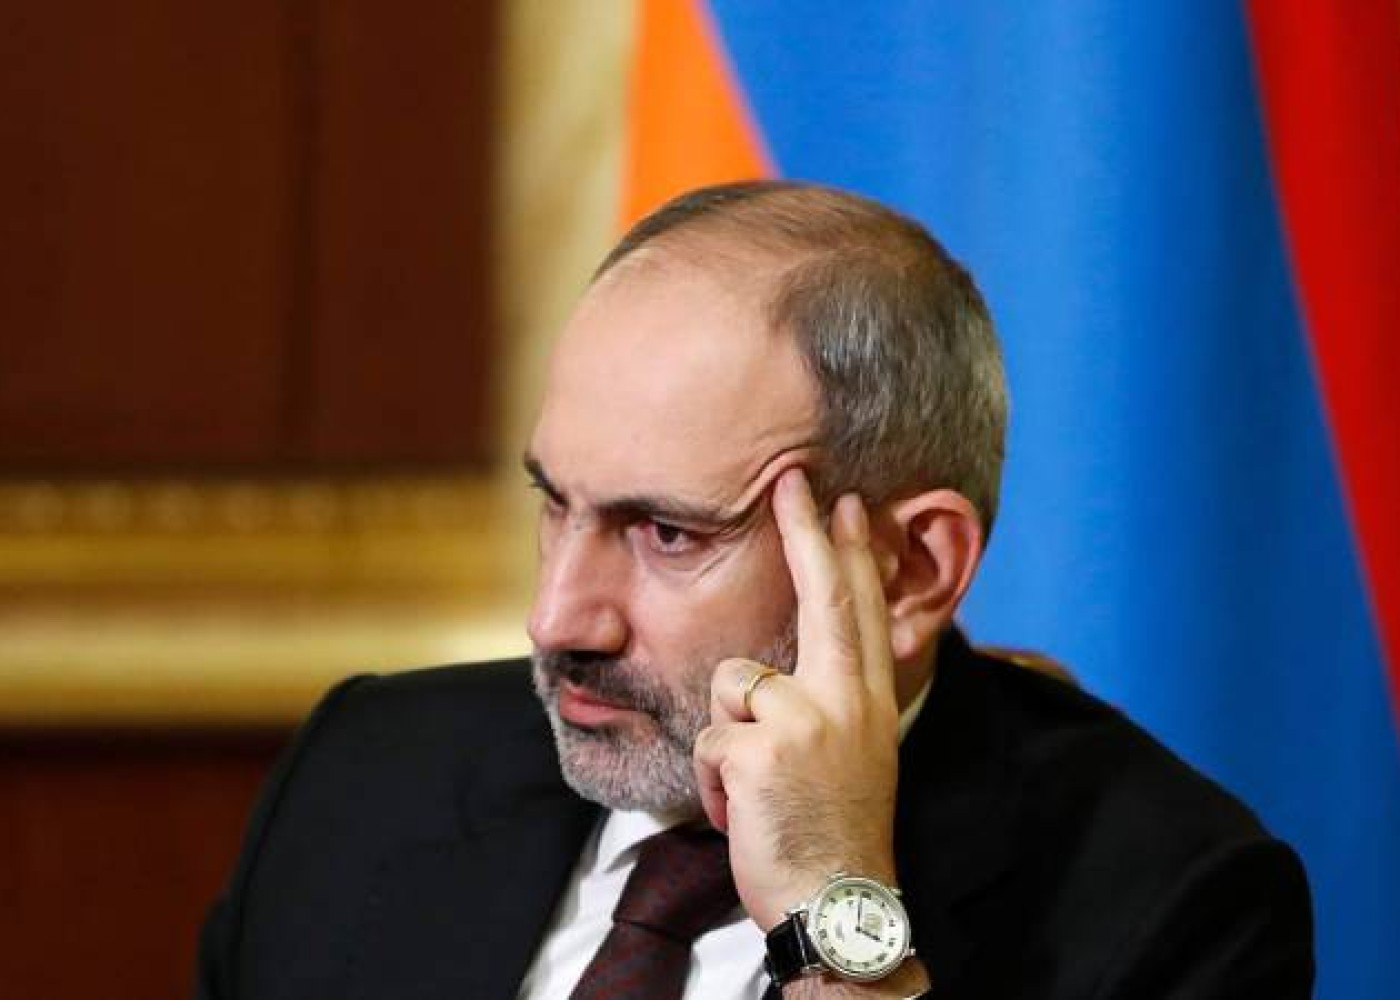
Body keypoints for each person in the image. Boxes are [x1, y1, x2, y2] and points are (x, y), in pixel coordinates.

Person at [195, 181, 1314, 999]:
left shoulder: (1173, 906)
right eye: (555, 502)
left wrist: (835, 912)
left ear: (910, 570)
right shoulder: (369, 770)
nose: (558, 618)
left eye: (667, 533)